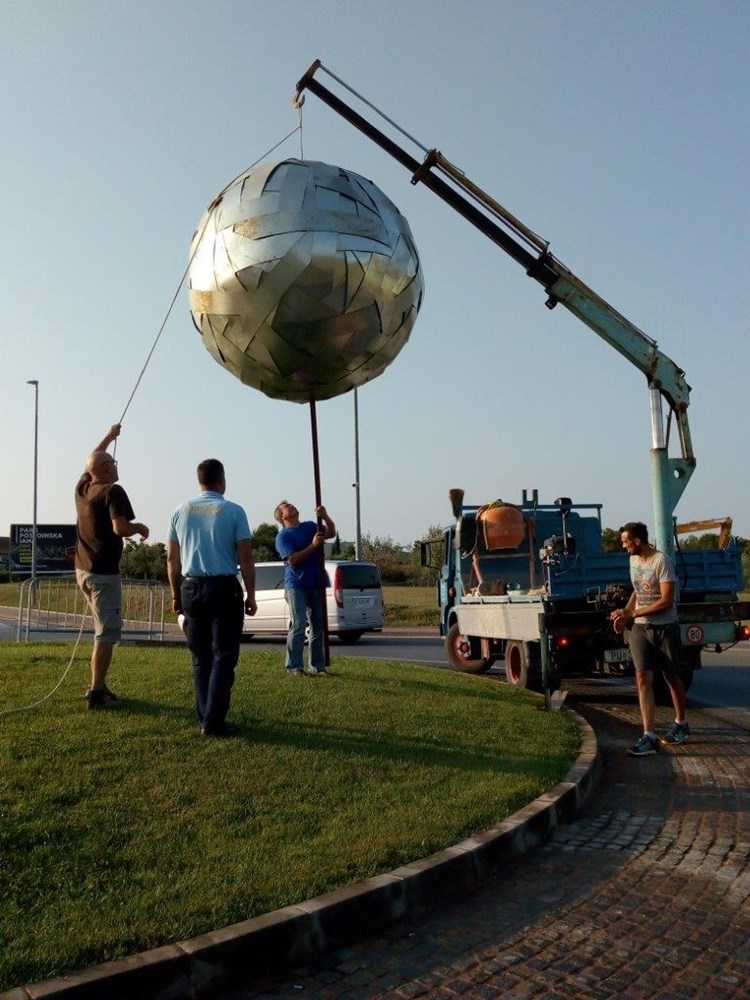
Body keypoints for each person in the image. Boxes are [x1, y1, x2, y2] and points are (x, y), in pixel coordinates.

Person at [167, 459, 256, 736]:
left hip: (191, 587)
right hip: (224, 588)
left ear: (200, 480)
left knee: (200, 657)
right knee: (223, 656)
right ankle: (214, 721)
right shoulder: (234, 511)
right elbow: (245, 557)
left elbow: (172, 559)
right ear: (222, 480)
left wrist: (175, 594)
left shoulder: (180, 511)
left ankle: (204, 716)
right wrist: (251, 595)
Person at [75, 423, 150, 709]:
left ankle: (100, 684)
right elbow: (120, 528)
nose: (116, 465)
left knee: (100, 631)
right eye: (113, 463)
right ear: (106, 469)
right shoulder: (113, 491)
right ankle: (97, 693)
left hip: (83, 571)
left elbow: (92, 458)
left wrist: (109, 436)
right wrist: (139, 527)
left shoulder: (83, 488)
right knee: (105, 635)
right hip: (103, 575)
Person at [610, 521, 690, 756]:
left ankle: (681, 723)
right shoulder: (634, 561)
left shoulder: (661, 561)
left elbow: (666, 600)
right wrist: (625, 614)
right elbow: (638, 591)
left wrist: (632, 614)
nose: (623, 546)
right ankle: (649, 736)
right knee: (642, 677)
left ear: (637, 541)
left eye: (625, 542)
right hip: (641, 629)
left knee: (671, 677)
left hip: (665, 627)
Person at [273, 501, 336, 675]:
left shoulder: (310, 526)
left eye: (290, 503)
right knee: (299, 624)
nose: (291, 505)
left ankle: (317, 666)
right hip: (296, 585)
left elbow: (331, 533)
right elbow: (293, 560)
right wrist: (314, 545)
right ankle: (294, 666)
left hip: (316, 582)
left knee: (317, 626)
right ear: (281, 517)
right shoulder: (283, 536)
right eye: (286, 506)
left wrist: (325, 516)